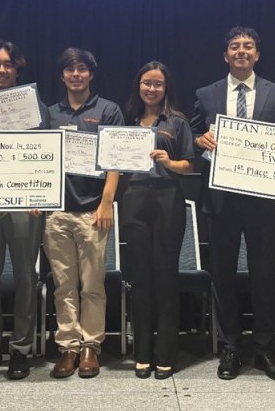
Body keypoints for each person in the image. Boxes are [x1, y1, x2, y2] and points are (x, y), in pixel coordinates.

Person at [190, 26, 275, 382]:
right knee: (224, 277)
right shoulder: (206, 94)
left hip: (265, 204)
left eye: (248, 46)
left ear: (257, 54)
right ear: (225, 55)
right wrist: (200, 141)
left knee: (265, 277)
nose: (241, 51)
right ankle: (231, 347)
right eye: (234, 46)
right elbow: (193, 137)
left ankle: (264, 348)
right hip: (221, 202)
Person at [0, 40, 49, 380]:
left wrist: (39, 196)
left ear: (18, 69)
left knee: (25, 278)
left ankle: (20, 349)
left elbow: (45, 153)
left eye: (8, 65)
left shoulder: (35, 107)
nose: (1, 70)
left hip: (24, 202)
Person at [44, 48, 124, 378]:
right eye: (69, 70)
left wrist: (106, 202)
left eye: (82, 69)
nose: (76, 75)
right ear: (62, 76)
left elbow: (114, 160)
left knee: (92, 285)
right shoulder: (49, 113)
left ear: (91, 74)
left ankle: (91, 346)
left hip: (93, 211)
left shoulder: (108, 110)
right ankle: (68, 347)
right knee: (63, 285)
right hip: (56, 212)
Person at [122, 61, 195, 379]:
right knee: (140, 278)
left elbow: (190, 166)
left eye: (158, 84)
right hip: (135, 199)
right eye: (146, 83)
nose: (151, 88)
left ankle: (165, 353)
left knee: (165, 277)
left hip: (168, 199)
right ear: (138, 85)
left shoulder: (177, 121)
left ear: (166, 88)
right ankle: (142, 353)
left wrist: (170, 161)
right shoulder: (127, 122)